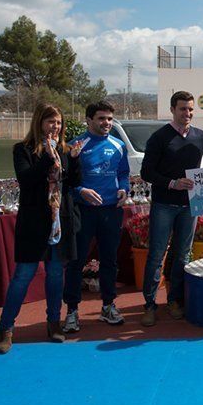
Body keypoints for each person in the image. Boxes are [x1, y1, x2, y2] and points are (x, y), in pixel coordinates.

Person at [0, 104, 83, 354]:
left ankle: (53, 323)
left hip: (59, 222)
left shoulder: (65, 150)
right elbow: (27, 180)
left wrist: (75, 161)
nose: (55, 126)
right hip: (34, 223)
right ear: (39, 123)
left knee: (56, 274)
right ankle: (6, 328)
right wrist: (47, 156)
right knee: (23, 275)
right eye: (50, 122)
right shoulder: (22, 150)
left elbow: (74, 184)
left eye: (58, 122)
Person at [140, 91, 203, 327]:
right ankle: (149, 304)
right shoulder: (159, 138)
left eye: (190, 109)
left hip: (190, 206)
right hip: (164, 205)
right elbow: (147, 172)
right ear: (173, 110)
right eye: (182, 109)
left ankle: (174, 299)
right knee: (157, 255)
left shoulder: (199, 135)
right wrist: (172, 183)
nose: (187, 113)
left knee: (182, 256)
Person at [62, 101, 130, 332]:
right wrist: (81, 191)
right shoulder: (75, 146)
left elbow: (123, 173)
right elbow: (66, 182)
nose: (106, 123)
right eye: (101, 118)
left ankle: (108, 306)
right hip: (83, 212)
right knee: (76, 260)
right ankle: (72, 311)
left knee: (109, 260)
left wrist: (124, 190)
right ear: (89, 120)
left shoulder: (119, 145)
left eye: (110, 119)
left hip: (111, 210)